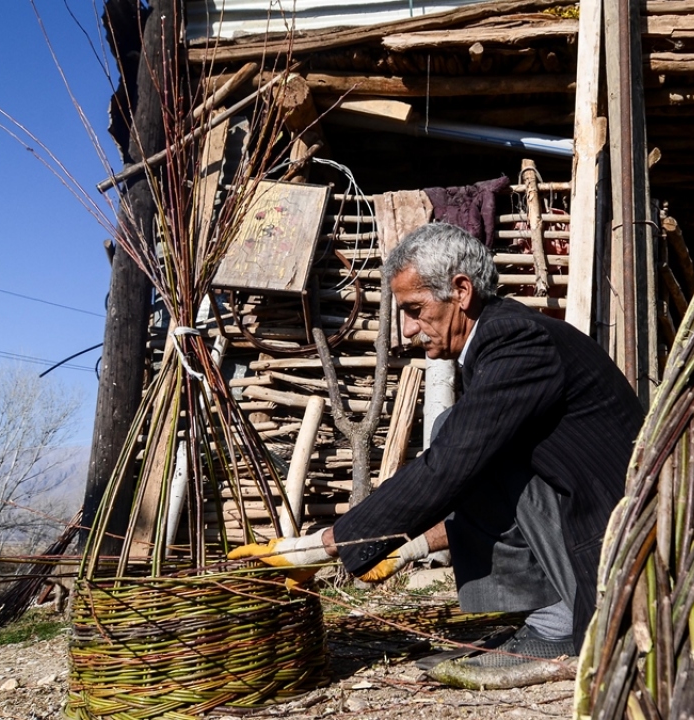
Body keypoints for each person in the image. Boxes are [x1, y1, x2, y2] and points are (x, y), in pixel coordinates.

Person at [230, 222, 643, 683]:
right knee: (459, 429)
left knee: (457, 436)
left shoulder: (518, 343)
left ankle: (558, 626)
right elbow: (484, 479)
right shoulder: (499, 341)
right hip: (589, 516)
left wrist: (319, 547)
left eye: (414, 309)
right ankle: (550, 618)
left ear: (461, 291)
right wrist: (413, 548)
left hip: (616, 539)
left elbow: (452, 464)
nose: (407, 331)